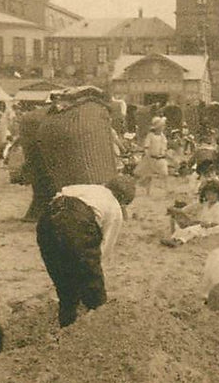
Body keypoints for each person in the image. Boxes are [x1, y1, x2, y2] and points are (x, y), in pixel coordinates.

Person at [36, 176, 136, 327]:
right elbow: (103, 248)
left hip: (47, 220)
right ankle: (97, 323)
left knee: (62, 280)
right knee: (92, 284)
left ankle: (67, 319)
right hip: (77, 221)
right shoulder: (115, 208)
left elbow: (58, 199)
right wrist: (92, 273)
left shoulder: (87, 188)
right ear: (122, 200)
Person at [162, 177, 219, 247]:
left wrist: (208, 224)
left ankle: (179, 242)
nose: (210, 196)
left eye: (213, 194)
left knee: (192, 231)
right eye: (208, 194)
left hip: (215, 228)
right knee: (184, 230)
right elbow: (197, 213)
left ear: (218, 195)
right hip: (204, 225)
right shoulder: (206, 204)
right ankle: (173, 239)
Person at [134, 116, 169, 195]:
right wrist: (147, 155)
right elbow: (146, 147)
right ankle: (147, 192)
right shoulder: (151, 135)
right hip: (151, 158)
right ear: (157, 127)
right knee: (148, 175)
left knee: (165, 173)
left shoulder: (163, 136)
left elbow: (164, 146)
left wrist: (164, 152)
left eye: (163, 126)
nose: (163, 128)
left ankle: (166, 190)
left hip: (161, 158)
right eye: (161, 126)